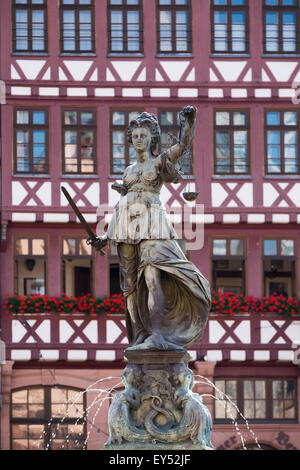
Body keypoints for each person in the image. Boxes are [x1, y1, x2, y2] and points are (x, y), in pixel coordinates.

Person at [88, 106, 211, 351]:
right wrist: (106, 236)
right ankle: (140, 335)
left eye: (144, 135)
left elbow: (183, 147)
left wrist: (188, 123)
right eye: (135, 136)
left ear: (152, 138)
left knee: (153, 275)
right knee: (131, 287)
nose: (139, 140)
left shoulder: (158, 163)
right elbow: (120, 205)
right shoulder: (128, 172)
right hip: (125, 226)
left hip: (152, 223)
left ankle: (157, 334)